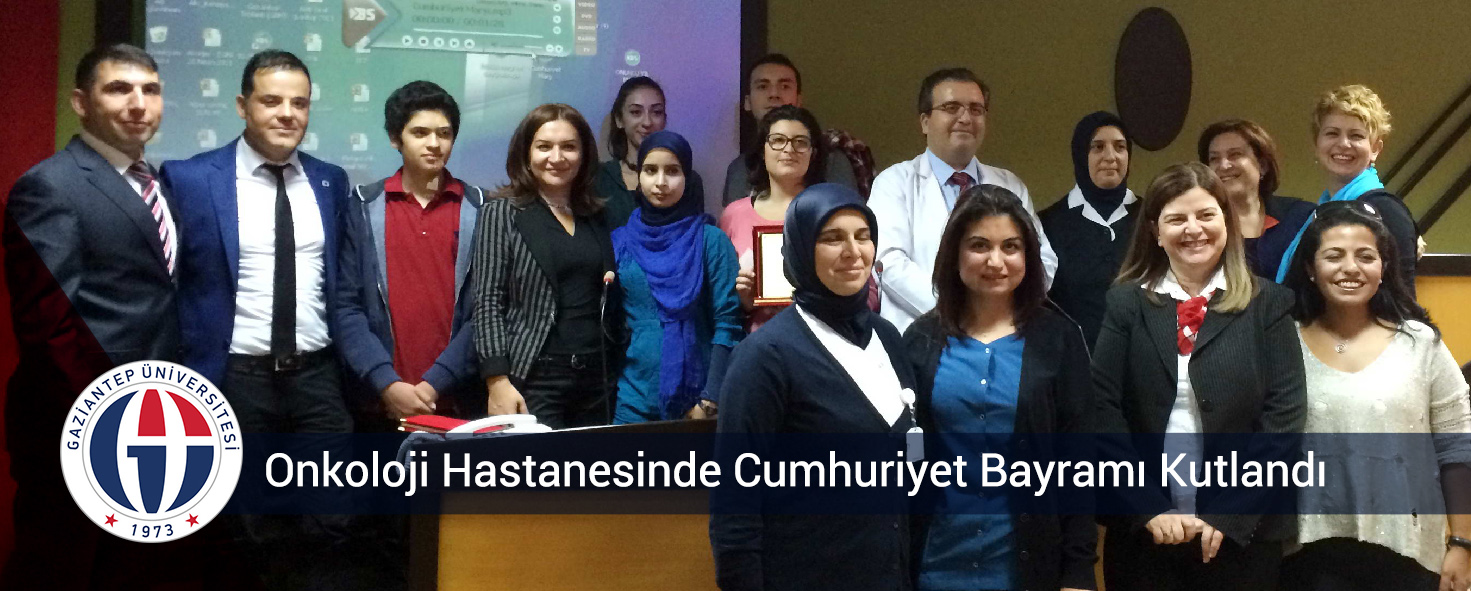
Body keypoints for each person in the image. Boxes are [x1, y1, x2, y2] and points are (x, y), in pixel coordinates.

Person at [160, 49, 353, 589]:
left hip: (317, 378)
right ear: (242, 106)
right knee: (248, 529)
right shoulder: (190, 178)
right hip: (235, 381)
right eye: (272, 101)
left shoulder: (330, 181)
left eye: (300, 103)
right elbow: (168, 284)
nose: (288, 113)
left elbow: (341, 283)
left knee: (333, 517)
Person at [2, 43, 179, 589]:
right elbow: (49, 329)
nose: (138, 103)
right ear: (81, 102)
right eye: (118, 89)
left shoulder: (159, 183)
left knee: (134, 572)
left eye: (150, 90)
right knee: (65, 569)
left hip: (152, 421)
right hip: (77, 424)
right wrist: (110, 418)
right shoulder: (50, 185)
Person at [1091, 162, 1306, 591]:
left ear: (1227, 222)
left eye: (1206, 215)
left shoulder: (1270, 304)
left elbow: (1284, 417)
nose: (1194, 229)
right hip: (1145, 532)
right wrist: (1146, 505)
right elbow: (1101, 408)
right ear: (1155, 231)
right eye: (1177, 219)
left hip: (1242, 535)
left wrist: (1231, 513)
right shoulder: (1125, 304)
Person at [712, 183, 913, 591]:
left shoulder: (889, 338)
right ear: (802, 249)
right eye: (832, 238)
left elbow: (913, 451)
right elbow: (735, 508)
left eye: (863, 236)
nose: (853, 251)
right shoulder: (764, 357)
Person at [903, 185, 1097, 591]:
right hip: (935, 563)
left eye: (1011, 246)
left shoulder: (1060, 339)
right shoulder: (920, 340)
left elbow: (1078, 464)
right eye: (979, 245)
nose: (996, 261)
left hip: (1026, 567)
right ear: (954, 253)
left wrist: (1078, 572)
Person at [1277, 200, 1471, 591]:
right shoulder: (1281, 342)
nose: (1350, 268)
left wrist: (1463, 543)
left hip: (1409, 553)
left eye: (1365, 256)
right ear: (1310, 269)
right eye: (1334, 256)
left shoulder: (1421, 344)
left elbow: (1456, 447)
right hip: (1305, 555)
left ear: (1383, 268)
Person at [336, 80, 486, 430]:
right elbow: (346, 306)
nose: (434, 143)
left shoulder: (480, 209)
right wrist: (386, 383)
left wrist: (436, 383)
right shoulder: (363, 206)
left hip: (456, 402)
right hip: (378, 403)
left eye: (444, 134)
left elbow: (487, 311)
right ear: (395, 138)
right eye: (420, 133)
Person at [870, 67, 1057, 333]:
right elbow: (888, 262)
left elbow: (1042, 259)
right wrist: (962, 313)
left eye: (976, 109)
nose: (966, 118)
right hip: (921, 334)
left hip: (1002, 334)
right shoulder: (894, 182)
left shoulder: (1010, 184)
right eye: (951, 107)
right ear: (925, 122)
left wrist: (997, 314)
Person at [471, 103, 621, 429]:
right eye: (544, 147)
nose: (557, 157)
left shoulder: (594, 214)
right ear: (526, 153)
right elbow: (488, 302)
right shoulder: (502, 213)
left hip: (597, 377)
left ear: (584, 154)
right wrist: (497, 380)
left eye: (569, 146)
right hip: (535, 375)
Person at [611, 130, 741, 423]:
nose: (661, 182)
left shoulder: (711, 241)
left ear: (687, 177)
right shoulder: (620, 241)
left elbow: (728, 324)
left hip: (698, 405)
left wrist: (710, 401)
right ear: (639, 176)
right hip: (632, 401)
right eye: (650, 170)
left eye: (672, 171)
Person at [1276, 84, 1419, 295]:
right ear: (1316, 144)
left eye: (1356, 136)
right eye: (1332, 133)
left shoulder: (1385, 211)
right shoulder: (1322, 210)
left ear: (1375, 149)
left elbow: (1401, 299)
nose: (1343, 144)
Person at [718, 105, 826, 333]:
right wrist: (744, 302)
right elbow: (718, 297)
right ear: (762, 150)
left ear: (813, 153)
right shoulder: (734, 215)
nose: (789, 149)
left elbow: (865, 288)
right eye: (778, 140)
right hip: (755, 343)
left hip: (822, 339)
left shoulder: (830, 211)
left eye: (800, 142)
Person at [1040, 111, 1139, 347]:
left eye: (1120, 147)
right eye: (1098, 147)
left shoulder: (1151, 218)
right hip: (1074, 359)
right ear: (1080, 154)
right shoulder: (1048, 224)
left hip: (1142, 360)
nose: (1110, 157)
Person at [721, 53, 857, 205]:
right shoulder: (738, 169)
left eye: (785, 86)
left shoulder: (831, 161)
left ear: (799, 100)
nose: (774, 94)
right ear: (747, 102)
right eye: (763, 86)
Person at [1198, 119, 1315, 279]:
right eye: (1214, 159)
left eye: (1235, 154)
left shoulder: (1301, 217)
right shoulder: (1200, 226)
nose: (1224, 165)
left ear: (1262, 165)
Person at [596, 76, 706, 228]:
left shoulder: (689, 180)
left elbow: (694, 234)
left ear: (664, 120)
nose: (647, 122)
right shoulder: (600, 178)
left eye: (656, 112)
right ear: (619, 119)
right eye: (636, 112)